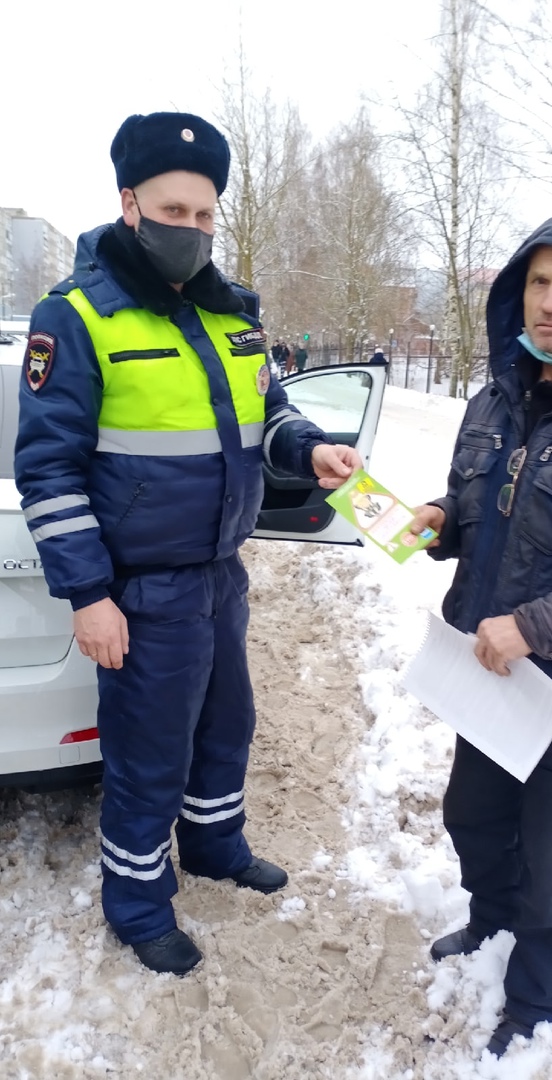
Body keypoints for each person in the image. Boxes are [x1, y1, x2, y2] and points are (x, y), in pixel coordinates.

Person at [14, 110, 362, 977]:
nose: (192, 229)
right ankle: (137, 903)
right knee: (148, 754)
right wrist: (89, 596)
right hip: (139, 588)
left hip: (218, 574)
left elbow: (268, 412)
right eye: (174, 211)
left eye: (205, 215)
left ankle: (214, 846)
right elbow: (48, 472)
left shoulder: (230, 313)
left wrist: (308, 447)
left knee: (224, 726)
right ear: (129, 204)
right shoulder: (78, 317)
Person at [409, 209, 552, 1058]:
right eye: (537, 281)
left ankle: (542, 1003)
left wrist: (534, 625)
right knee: (474, 819)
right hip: (487, 674)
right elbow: (485, 502)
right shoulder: (494, 397)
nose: (550, 302)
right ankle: (492, 921)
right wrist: (440, 518)